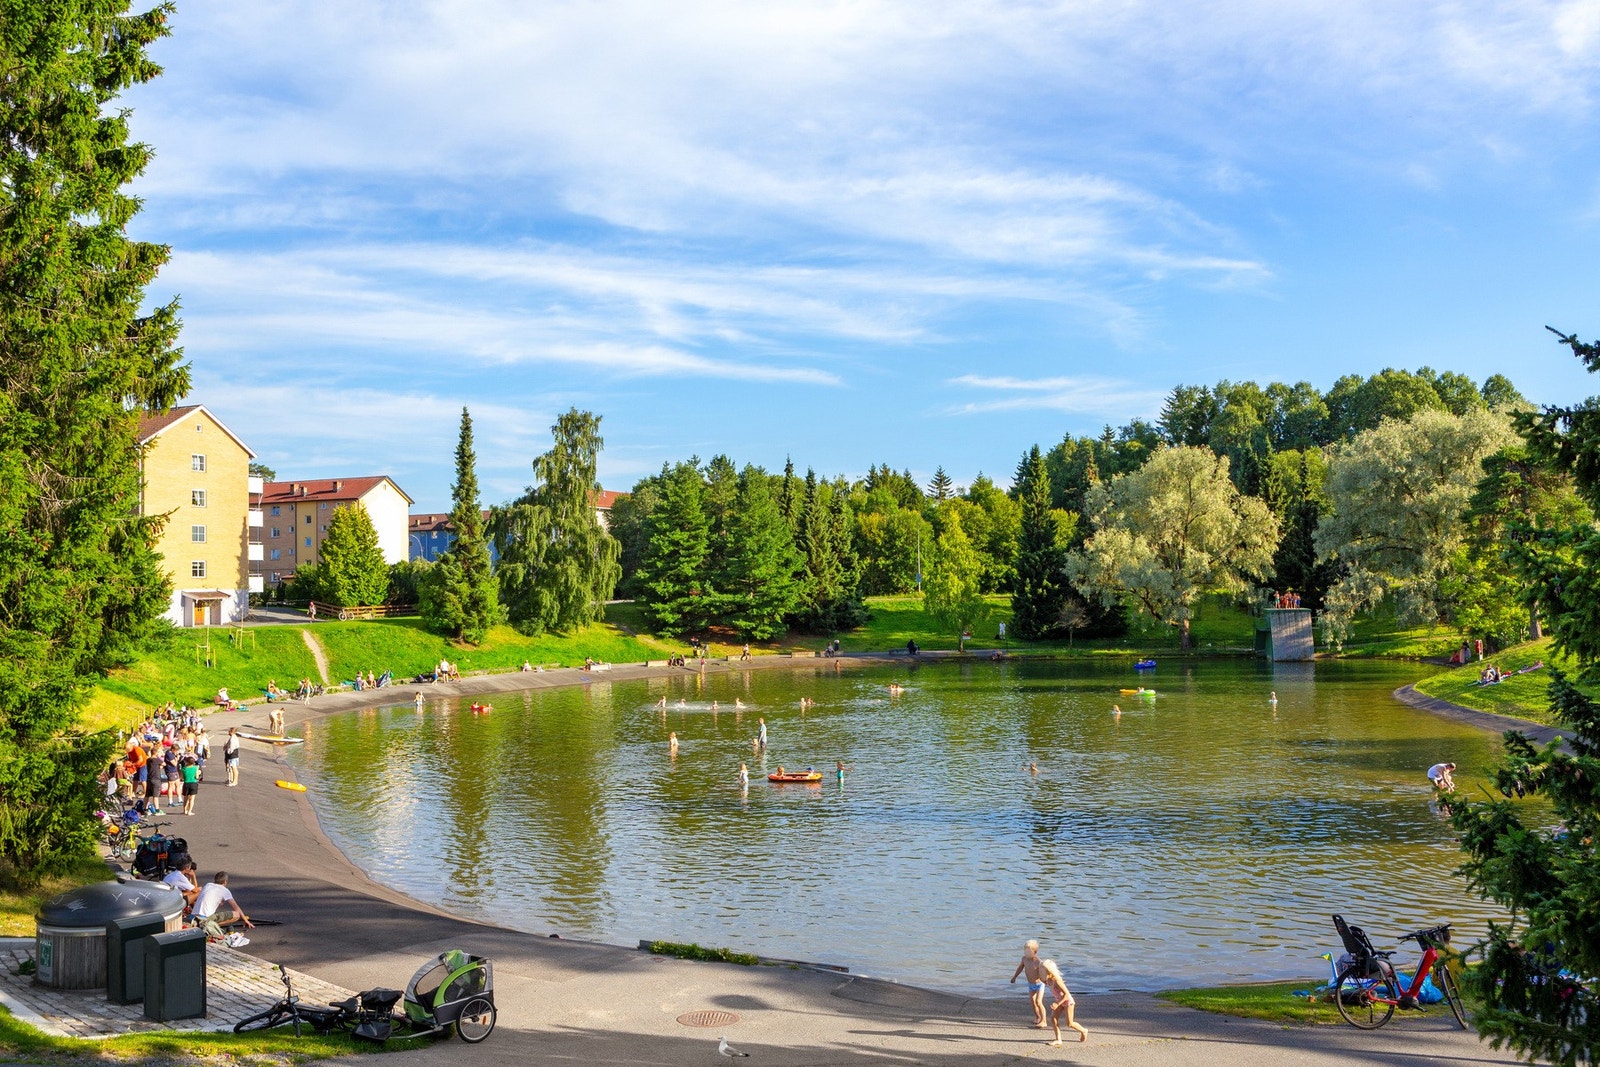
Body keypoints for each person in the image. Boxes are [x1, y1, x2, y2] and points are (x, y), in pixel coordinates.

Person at [192, 871, 254, 941]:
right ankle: (211, 925)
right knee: (236, 915)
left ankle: (209, 924)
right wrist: (245, 920)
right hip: (204, 918)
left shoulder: (208, 885)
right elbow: (236, 908)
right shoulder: (225, 890)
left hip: (193, 916)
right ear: (225, 882)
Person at [1040, 958, 1087, 1044]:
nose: (1040, 973)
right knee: (1053, 1018)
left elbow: (1067, 995)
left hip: (1068, 1002)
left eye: (1042, 971)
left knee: (1070, 1023)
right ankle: (1058, 1039)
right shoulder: (1047, 980)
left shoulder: (1057, 981)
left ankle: (1083, 1030)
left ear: (1049, 972)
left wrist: (1057, 1004)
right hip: (1059, 1002)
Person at [1011, 939, 1048, 1028]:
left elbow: (1045, 972)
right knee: (1033, 1002)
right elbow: (1020, 968)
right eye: (1025, 951)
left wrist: (1047, 981)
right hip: (1031, 984)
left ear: (1035, 952)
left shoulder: (1038, 962)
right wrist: (1014, 977)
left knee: (1039, 1002)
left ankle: (1044, 1021)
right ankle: (1038, 1017)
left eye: (1028, 951)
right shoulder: (1024, 959)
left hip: (1039, 984)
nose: (1026, 953)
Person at [179, 751, 200, 816]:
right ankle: (189, 811)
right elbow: (196, 776)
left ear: (186, 762)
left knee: (185, 798)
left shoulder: (183, 769)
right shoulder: (195, 768)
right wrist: (198, 772)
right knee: (192, 798)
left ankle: (184, 810)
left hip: (186, 783)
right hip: (193, 783)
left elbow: (181, 777)